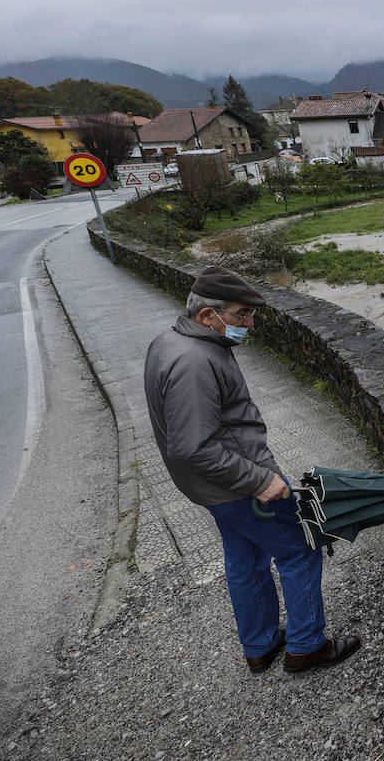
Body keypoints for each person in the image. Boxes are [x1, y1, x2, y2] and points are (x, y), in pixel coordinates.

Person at [143, 266, 360, 673]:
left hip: (212, 488)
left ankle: (260, 645)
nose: (251, 323)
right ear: (208, 316)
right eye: (242, 314)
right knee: (300, 549)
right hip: (234, 485)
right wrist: (260, 479)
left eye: (252, 314)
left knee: (245, 556)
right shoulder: (194, 362)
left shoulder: (171, 342)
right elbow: (193, 447)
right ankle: (306, 646)